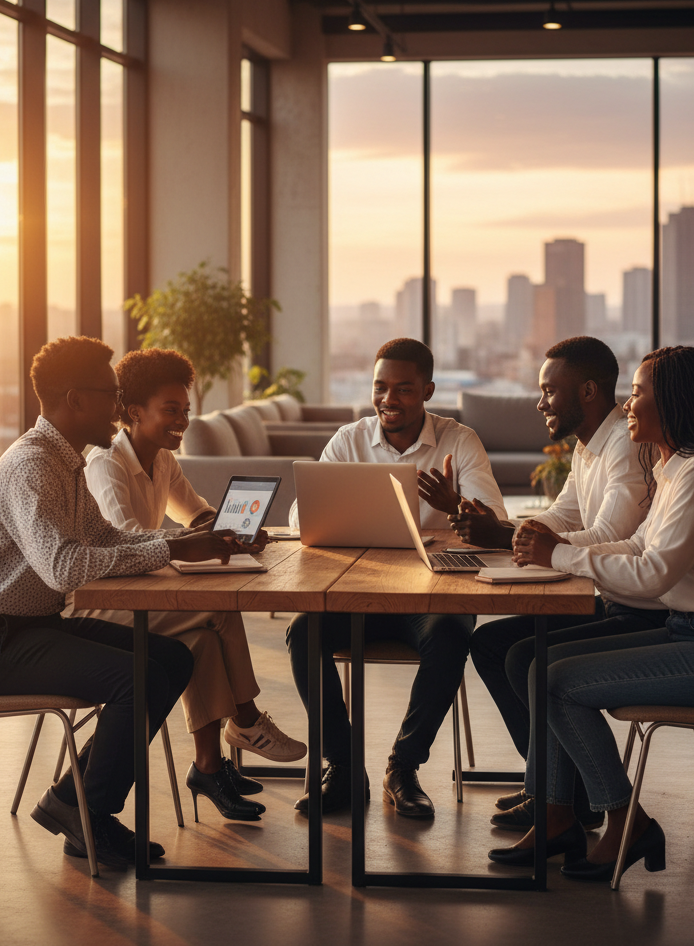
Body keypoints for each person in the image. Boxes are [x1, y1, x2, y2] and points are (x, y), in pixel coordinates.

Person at [0, 337, 261, 868]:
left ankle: (73, 803)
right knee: (135, 679)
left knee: (172, 659)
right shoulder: (31, 467)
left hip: (28, 627)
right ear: (75, 400)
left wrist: (184, 543)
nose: (119, 407)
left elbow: (105, 537)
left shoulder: (63, 462)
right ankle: (90, 812)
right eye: (110, 395)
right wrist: (173, 546)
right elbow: (63, 566)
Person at [488, 346, 694, 883]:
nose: (627, 402)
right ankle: (558, 812)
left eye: (639, 392)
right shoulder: (675, 467)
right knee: (536, 665)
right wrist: (554, 544)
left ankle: (628, 821)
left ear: (672, 401)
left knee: (555, 683)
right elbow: (634, 547)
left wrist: (560, 554)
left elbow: (653, 574)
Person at [73, 347, 305, 824]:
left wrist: (231, 530)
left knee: (200, 637)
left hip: (138, 591)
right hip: (97, 603)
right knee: (216, 609)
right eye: (171, 411)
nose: (182, 420)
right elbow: (127, 542)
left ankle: (207, 768)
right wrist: (196, 540)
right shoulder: (105, 463)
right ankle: (245, 721)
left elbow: (194, 512)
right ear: (134, 412)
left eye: (186, 410)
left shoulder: (161, 459)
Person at [285, 337, 508, 818]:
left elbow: (495, 523)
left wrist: (457, 508)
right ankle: (343, 768)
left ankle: (402, 768)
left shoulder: (459, 440)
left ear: (427, 390)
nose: (389, 399)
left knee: (452, 633)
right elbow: (300, 514)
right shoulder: (349, 440)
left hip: (428, 596)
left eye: (403, 389)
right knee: (304, 631)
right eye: (381, 387)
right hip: (357, 590)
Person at [459, 336, 661, 834]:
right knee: (491, 644)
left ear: (588, 390)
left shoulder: (626, 447)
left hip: (638, 607)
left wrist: (517, 539)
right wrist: (509, 531)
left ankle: (561, 796)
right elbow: (560, 516)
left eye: (550, 390)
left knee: (524, 657)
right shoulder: (588, 447)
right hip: (608, 595)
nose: (539, 401)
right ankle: (553, 790)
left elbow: (609, 536)